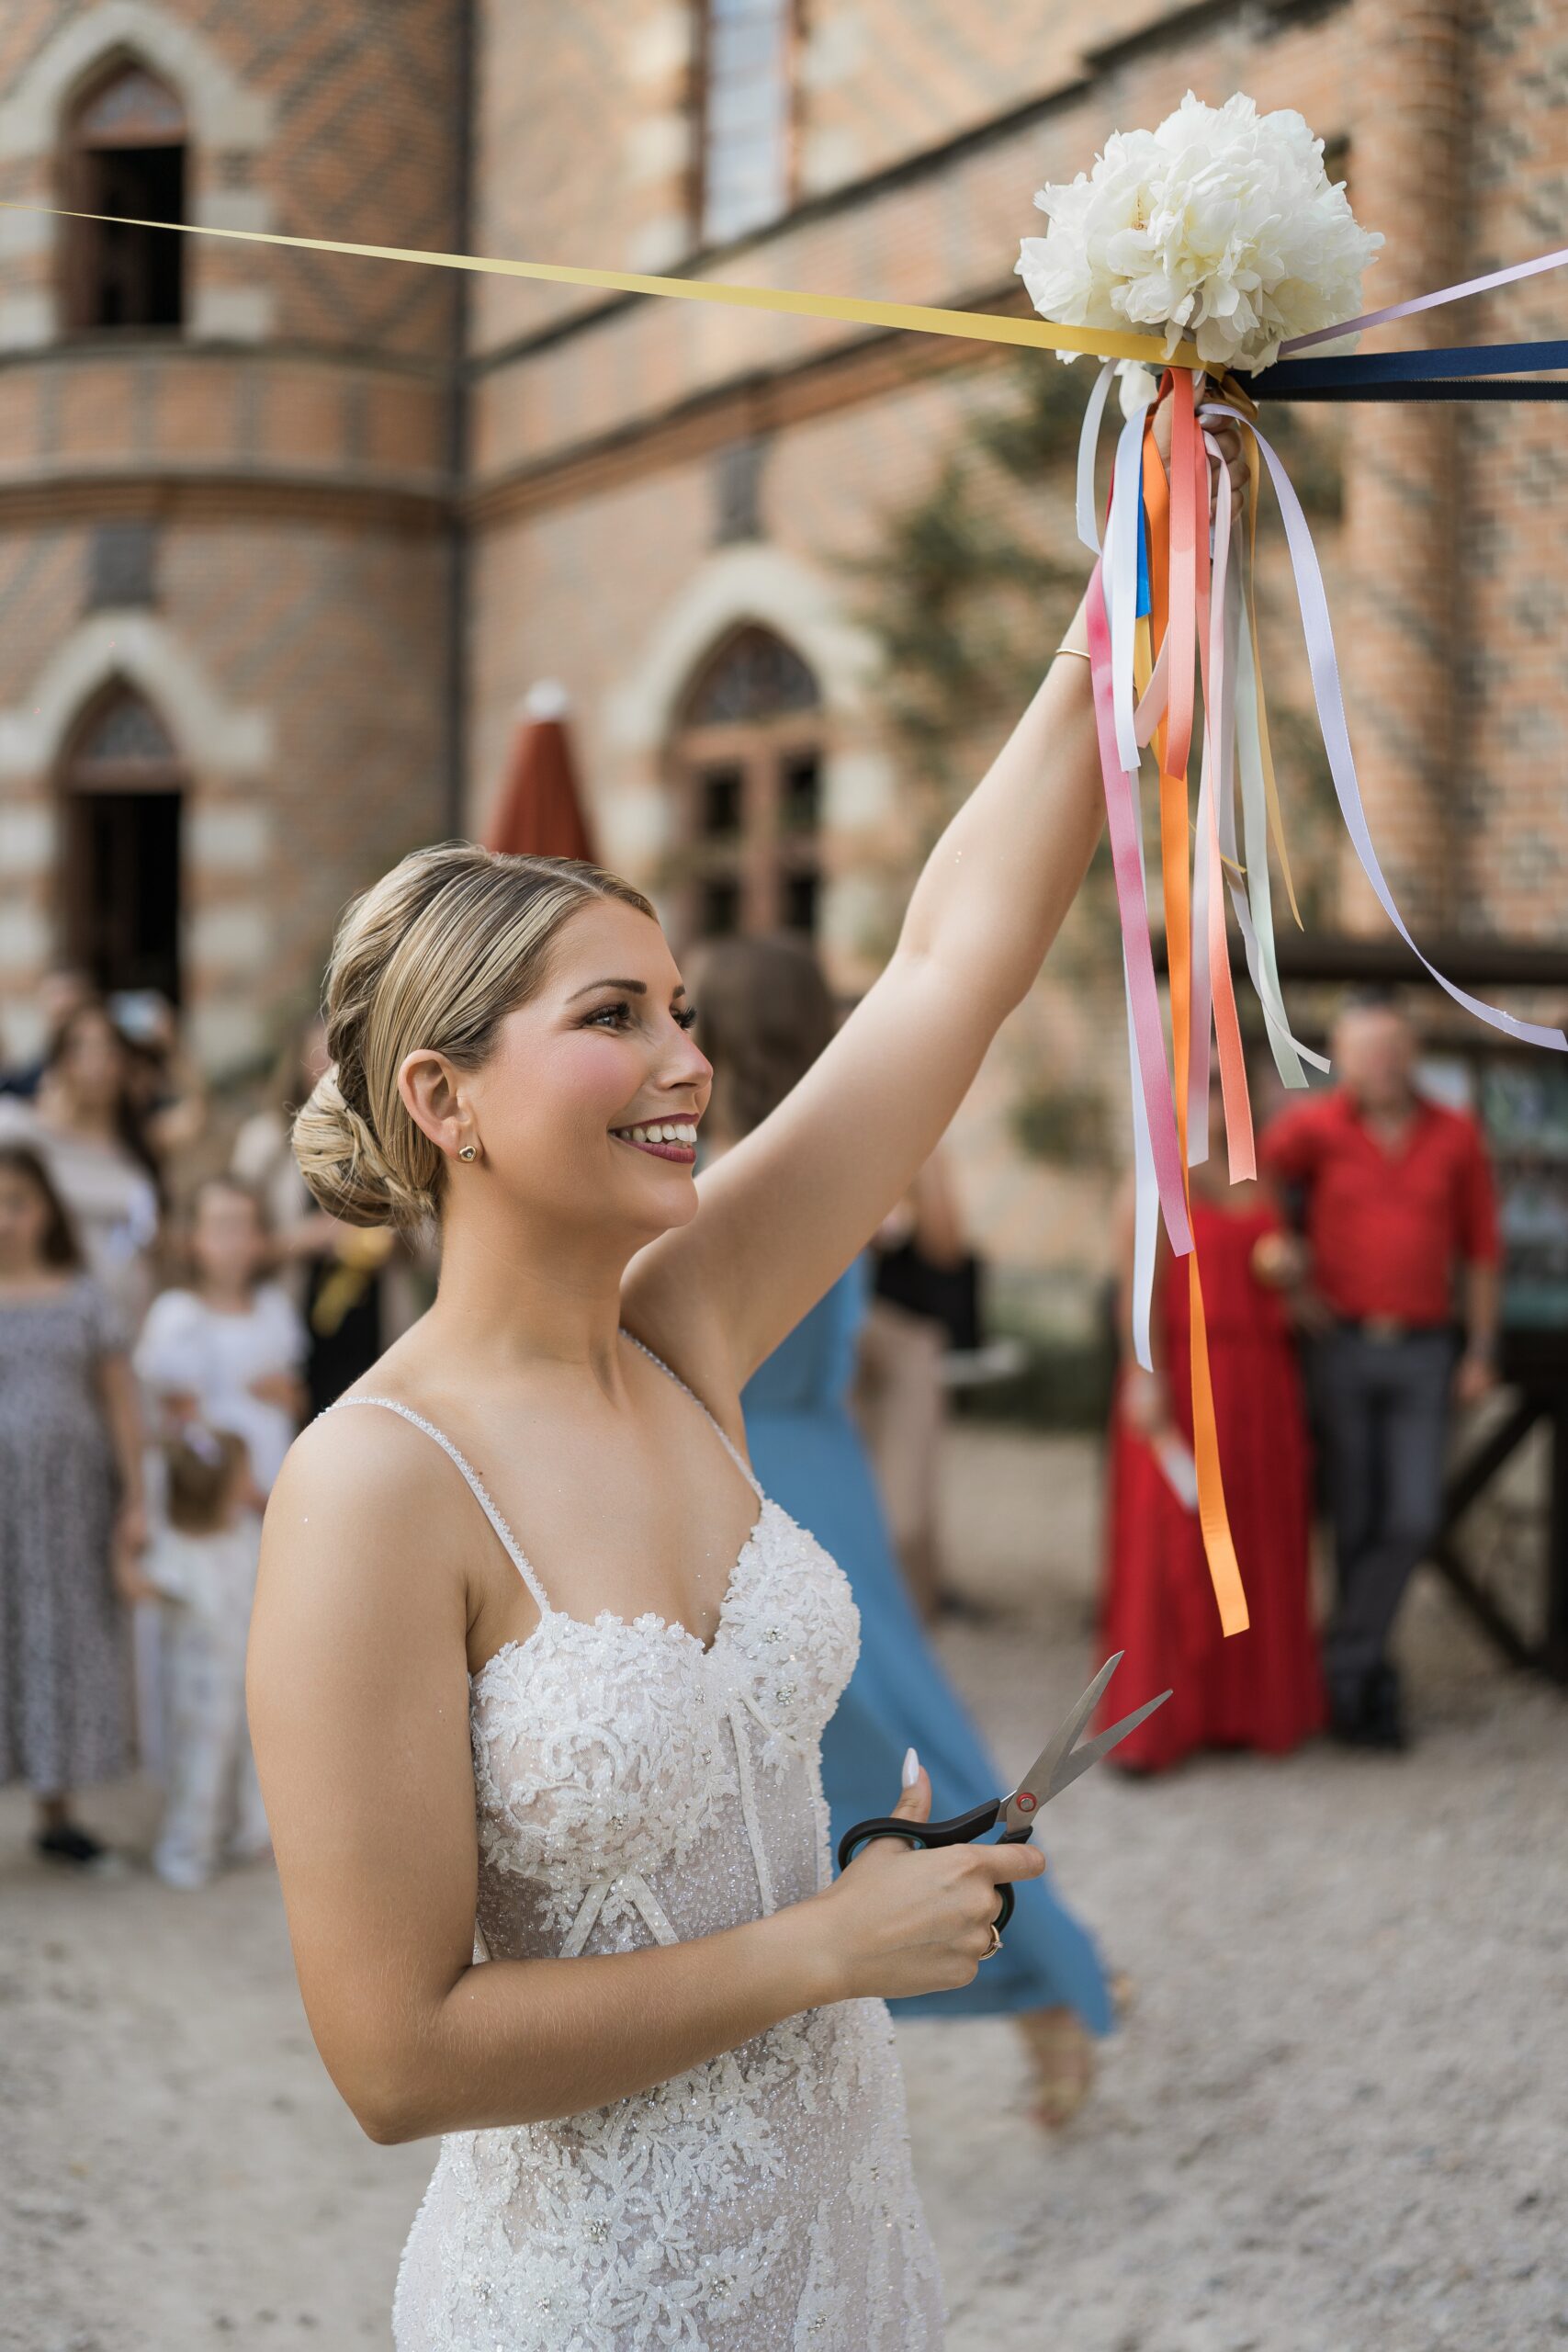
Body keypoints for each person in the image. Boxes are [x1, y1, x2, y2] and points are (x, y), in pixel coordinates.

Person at [249, 409, 1250, 2349]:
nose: (686, 1058)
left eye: (685, 1010)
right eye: (611, 1017)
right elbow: (392, 2051)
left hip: (846, 2248)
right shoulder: (374, 1485)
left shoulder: (683, 1330)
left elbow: (952, 962)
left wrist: (1146, 539)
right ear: (438, 1096)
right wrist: (816, 1948)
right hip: (595, 2296)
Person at [696, 933, 1112, 2127]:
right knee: (859, 1752)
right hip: (810, 1471)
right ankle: (1011, 1978)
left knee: (901, 1755)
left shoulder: (736, 1178)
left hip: (762, 1484)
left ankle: (1043, 1977)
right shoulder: (832, 1162)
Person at [1261, 994, 1501, 1748]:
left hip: (1427, 1352)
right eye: (1366, 1051)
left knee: (1413, 1515)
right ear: (1341, 1057)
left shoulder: (1456, 1135)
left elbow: (1482, 1252)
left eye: (1394, 1049)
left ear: (1414, 1053)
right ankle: (1364, 1686)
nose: (1382, 1064)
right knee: (1356, 1517)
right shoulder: (1311, 1131)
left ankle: (1345, 1661)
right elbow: (1248, 1191)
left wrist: (1481, 1351)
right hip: (1341, 1347)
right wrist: (1288, 1280)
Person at [1101, 1072, 1325, 1771]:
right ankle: (1157, 1726)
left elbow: (1299, 1292)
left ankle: (1242, 1710)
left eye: (1232, 1090)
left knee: (1254, 1537)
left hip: (1259, 1382)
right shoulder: (1158, 1174)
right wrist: (1143, 1377)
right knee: (1173, 1544)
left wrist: (1290, 1272)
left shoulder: (1266, 1172)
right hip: (1182, 1381)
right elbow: (1133, 1290)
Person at [0, 1144, 152, 1871]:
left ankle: (57, 1809)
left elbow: (120, 1401)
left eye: (18, 1203)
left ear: (46, 1211)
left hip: (69, 1505)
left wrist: (135, 1498)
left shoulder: (83, 1294)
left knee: (64, 1637)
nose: (5, 1220)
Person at [232, 1014, 428, 1413]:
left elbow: (428, 1249)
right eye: (320, 1057)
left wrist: (387, 1242)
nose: (331, 1070)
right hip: (291, 1328)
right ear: (298, 1065)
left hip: (375, 1329)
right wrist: (308, 1239)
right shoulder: (265, 1144)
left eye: (342, 1057)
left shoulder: (389, 1138)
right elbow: (235, 1249)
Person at [141, 1422, 271, 1889]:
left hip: (245, 1671)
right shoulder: (178, 1550)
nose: (250, 1483)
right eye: (243, 1476)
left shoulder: (245, 1534)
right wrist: (121, 1552)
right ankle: (186, 1849)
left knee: (252, 1755)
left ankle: (249, 1833)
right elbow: (142, 1586)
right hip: (198, 1687)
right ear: (219, 1490)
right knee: (200, 1764)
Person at [135, 1177, 308, 1506]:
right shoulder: (178, 1315)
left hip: (276, 1489)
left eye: (246, 1227)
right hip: (208, 1499)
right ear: (191, 1239)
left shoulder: (275, 1309)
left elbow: (294, 1400)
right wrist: (237, 1487)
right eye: (222, 1227)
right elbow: (179, 1420)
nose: (235, 1241)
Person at [0, 1000, 162, 1332]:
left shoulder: (135, 1149)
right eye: (82, 1049)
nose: (96, 1063)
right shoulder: (19, 1130)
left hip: (129, 1326)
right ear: (60, 1060)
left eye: (108, 1050)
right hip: (47, 1326)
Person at [856, 1149, 969, 1618]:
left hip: (906, 1340)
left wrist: (926, 1166)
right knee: (853, 1501)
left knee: (906, 1510)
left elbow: (947, 1250)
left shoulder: (927, 1151)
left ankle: (910, 1622)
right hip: (844, 1344)